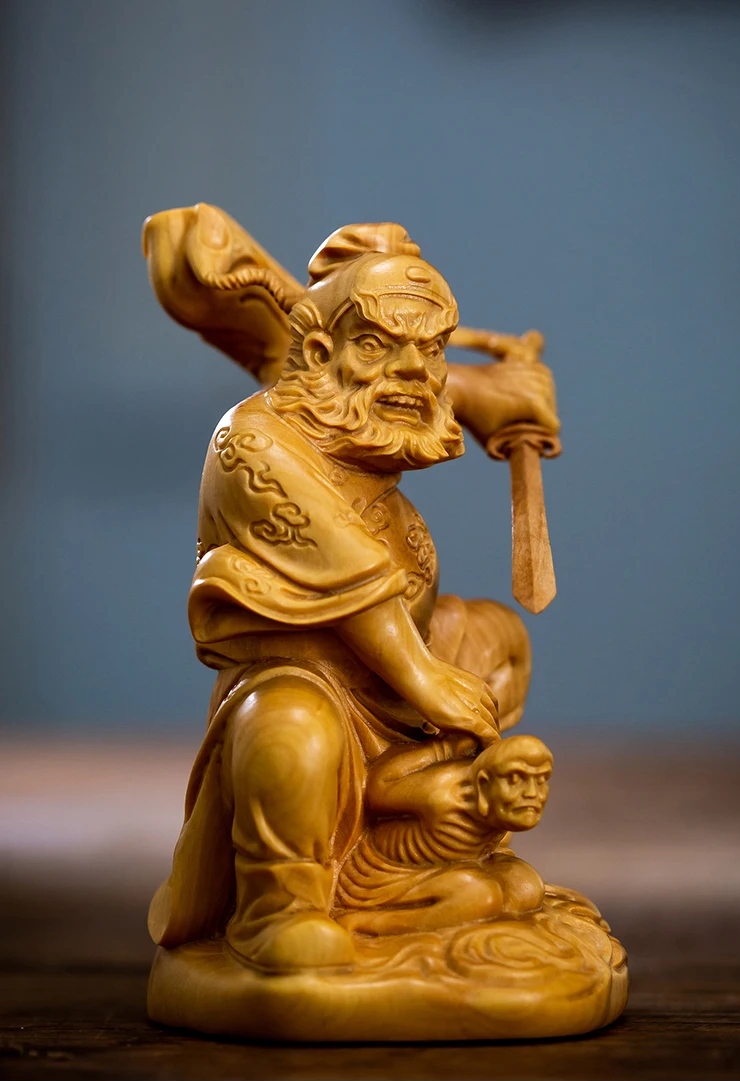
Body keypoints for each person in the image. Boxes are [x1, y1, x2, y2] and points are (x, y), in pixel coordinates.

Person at [147, 221, 559, 973]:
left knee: (493, 637)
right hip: (309, 678)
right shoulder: (253, 442)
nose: (413, 372)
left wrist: (488, 395)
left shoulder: (371, 430)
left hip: (394, 694)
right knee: (291, 727)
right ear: (316, 353)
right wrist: (425, 679)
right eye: (376, 344)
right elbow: (352, 576)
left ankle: (425, 845)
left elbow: (400, 409)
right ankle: (282, 905)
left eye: (431, 350)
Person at [336, 734, 553, 935]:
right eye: (515, 779)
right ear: (484, 783)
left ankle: (480, 919)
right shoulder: (442, 792)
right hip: (385, 875)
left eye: (541, 780)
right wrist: (444, 749)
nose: (532, 793)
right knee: (480, 896)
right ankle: (366, 922)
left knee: (527, 886)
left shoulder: (503, 809)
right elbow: (379, 788)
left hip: (459, 866)